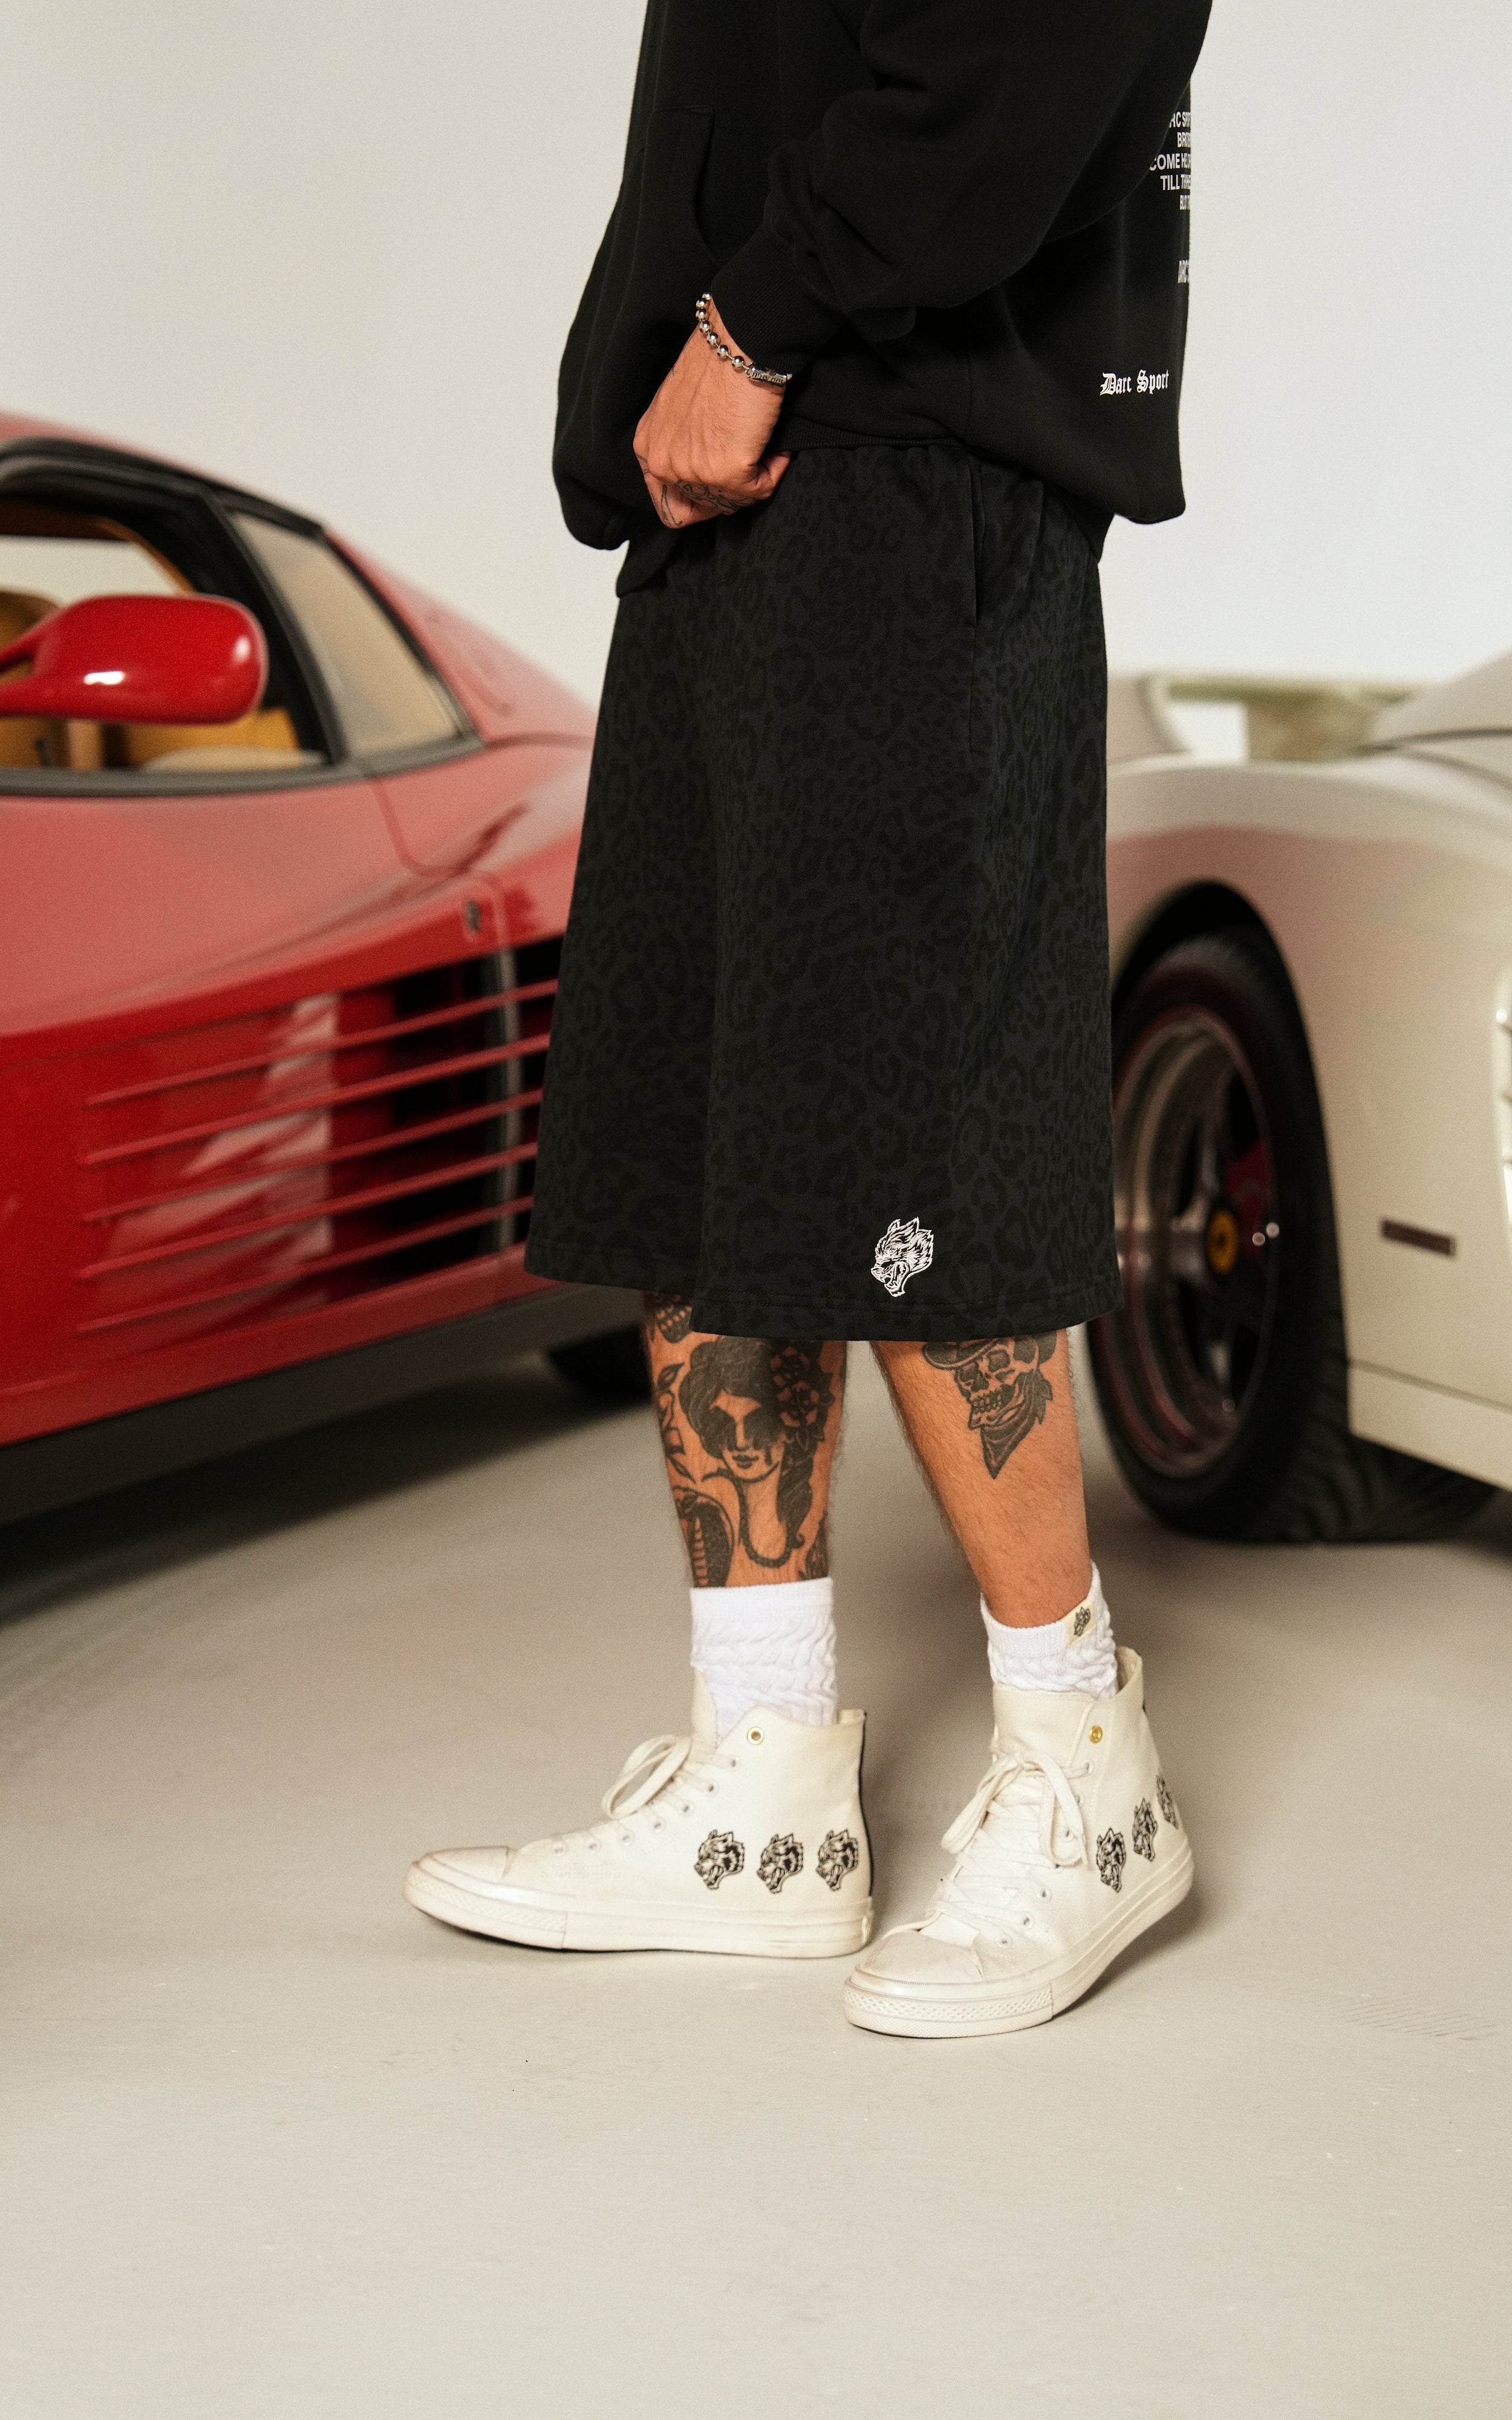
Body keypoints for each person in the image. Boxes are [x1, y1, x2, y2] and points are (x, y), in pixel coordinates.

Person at [406, 0, 1210, 2038]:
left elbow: (1031, 47)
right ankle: (762, 1790)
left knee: (914, 1151)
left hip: (906, 469)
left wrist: (751, 324)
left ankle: (1087, 1771)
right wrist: (662, 381)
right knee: (713, 1145)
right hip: (746, 489)